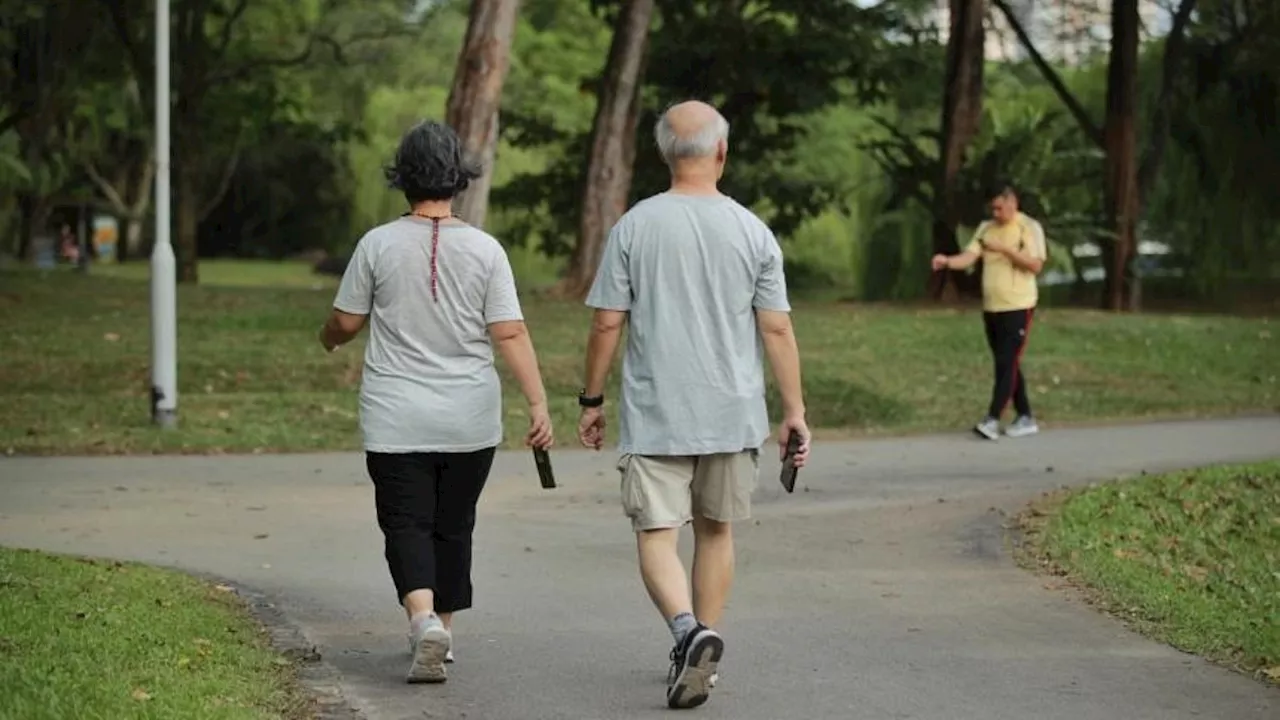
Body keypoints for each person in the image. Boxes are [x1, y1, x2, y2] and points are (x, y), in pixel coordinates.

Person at [576, 100, 810, 710]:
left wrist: (592, 399)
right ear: (722, 153)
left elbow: (606, 324)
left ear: (663, 154)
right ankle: (704, 648)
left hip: (658, 414)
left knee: (657, 533)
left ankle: (687, 634)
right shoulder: (753, 231)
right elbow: (777, 330)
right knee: (715, 531)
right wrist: (794, 412)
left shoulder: (634, 226)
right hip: (731, 413)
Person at [317, 120, 554, 684]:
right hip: (470, 419)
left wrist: (328, 336)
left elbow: (346, 321)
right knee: (454, 523)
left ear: (403, 177)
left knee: (405, 522)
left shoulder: (376, 244)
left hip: (397, 418)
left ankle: (424, 621)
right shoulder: (485, 250)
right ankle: (440, 633)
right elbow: (511, 333)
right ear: (458, 178)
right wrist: (539, 405)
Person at [931, 184, 1047, 440]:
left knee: (1006, 362)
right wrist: (947, 261)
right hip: (992, 306)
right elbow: (969, 256)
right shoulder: (986, 229)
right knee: (1007, 362)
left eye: (1000, 207)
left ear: (1012, 203)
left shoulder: (1027, 227)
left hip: (1018, 304)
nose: (996, 213)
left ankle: (992, 418)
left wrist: (1005, 250)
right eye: (992, 208)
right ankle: (1025, 415)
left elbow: (1035, 264)